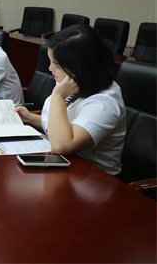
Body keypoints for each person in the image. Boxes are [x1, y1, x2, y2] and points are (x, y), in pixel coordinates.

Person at [14, 24, 126, 175]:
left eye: (56, 65)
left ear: (80, 67)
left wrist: (58, 96)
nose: (50, 69)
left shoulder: (104, 103)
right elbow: (63, 125)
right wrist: (30, 118)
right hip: (64, 166)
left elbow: (62, 145)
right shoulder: (73, 82)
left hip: (94, 178)